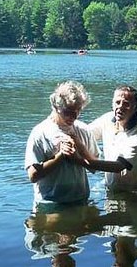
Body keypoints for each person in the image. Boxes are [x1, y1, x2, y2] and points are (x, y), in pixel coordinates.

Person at [24, 81, 99, 212]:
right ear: (56, 107)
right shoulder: (40, 133)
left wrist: (80, 147)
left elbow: (95, 167)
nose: (73, 116)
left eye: (78, 111)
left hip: (80, 199)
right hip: (49, 203)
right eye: (68, 112)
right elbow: (33, 175)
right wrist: (60, 157)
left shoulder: (83, 130)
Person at [72, 85, 137, 195]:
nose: (120, 107)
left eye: (126, 104)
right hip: (112, 186)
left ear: (135, 107)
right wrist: (66, 126)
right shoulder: (107, 119)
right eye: (117, 102)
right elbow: (86, 135)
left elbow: (118, 166)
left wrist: (80, 160)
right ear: (112, 103)